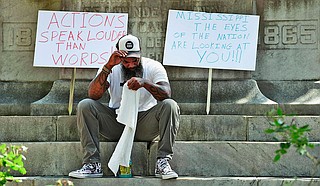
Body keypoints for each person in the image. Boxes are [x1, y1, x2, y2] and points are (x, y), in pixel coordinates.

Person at [68, 34, 180, 180]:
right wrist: (108, 67)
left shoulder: (153, 66)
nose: (131, 65)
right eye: (126, 61)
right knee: (85, 105)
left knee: (170, 105)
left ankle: (162, 163)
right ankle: (92, 164)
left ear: (140, 54)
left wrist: (145, 83)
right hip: (117, 122)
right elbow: (93, 95)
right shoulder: (111, 68)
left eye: (135, 60)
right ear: (119, 57)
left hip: (145, 122)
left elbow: (166, 94)